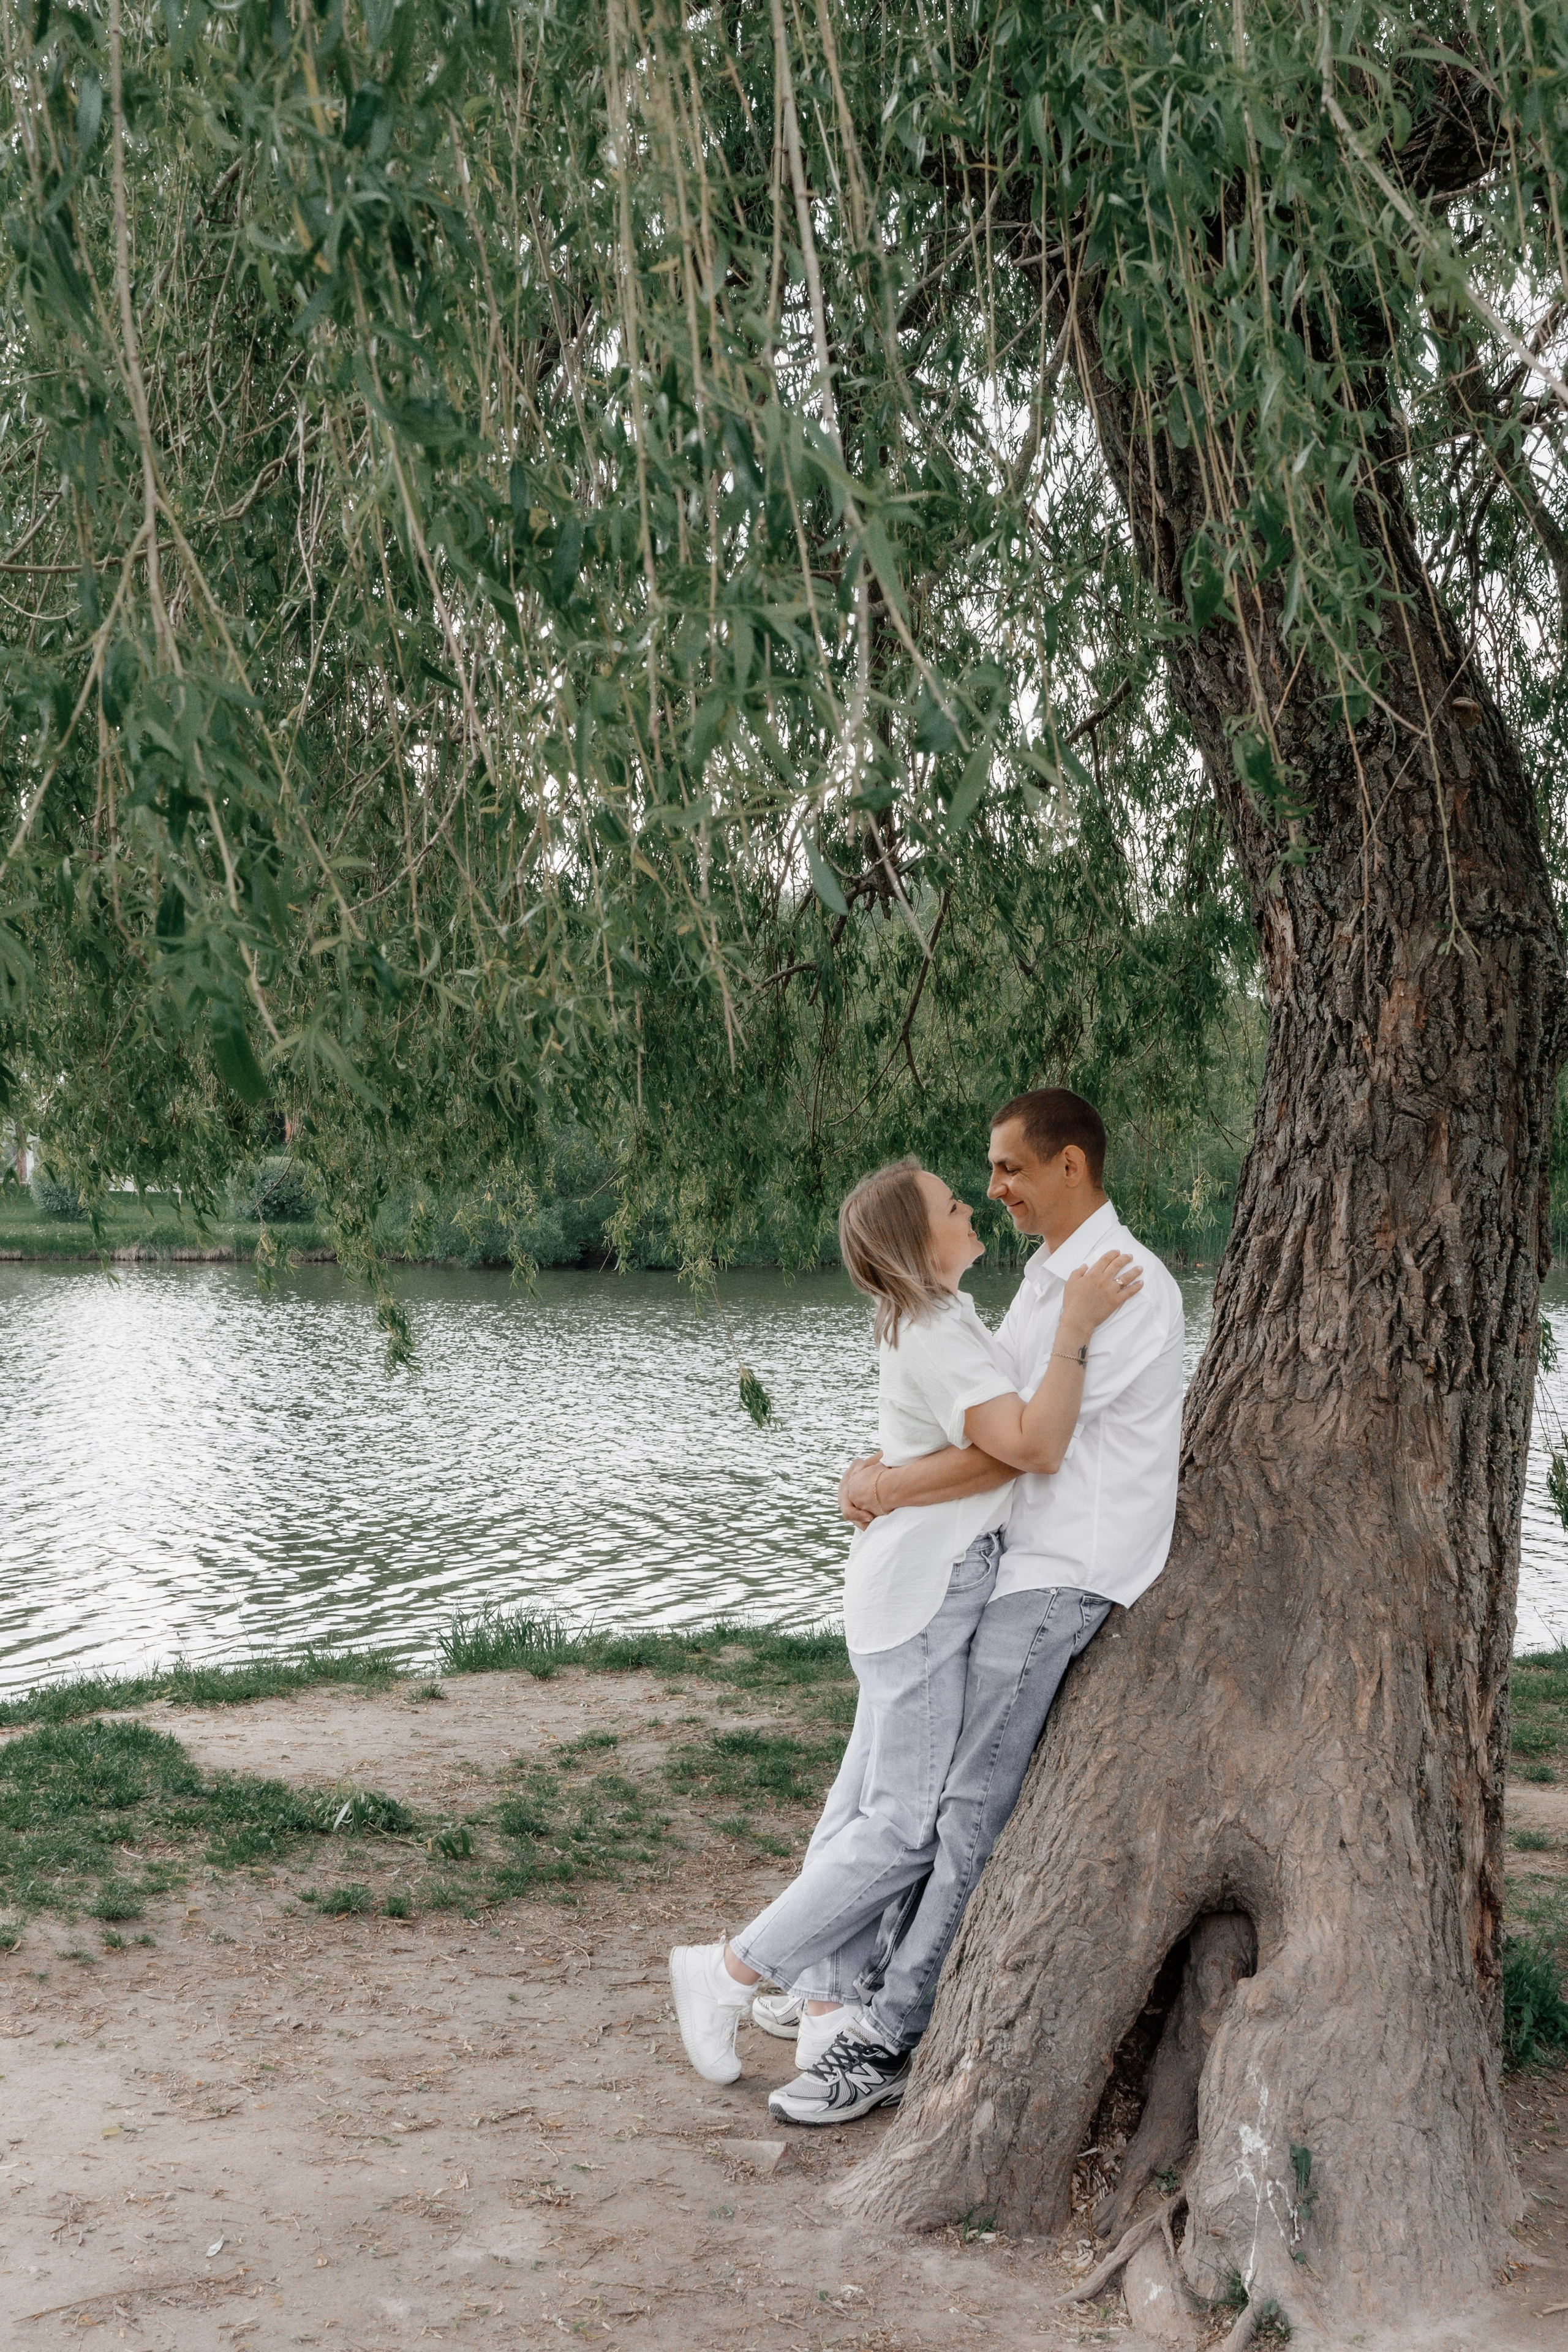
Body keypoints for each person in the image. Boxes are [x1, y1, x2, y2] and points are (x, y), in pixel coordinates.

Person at [667, 1148, 1141, 2092]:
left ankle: (829, 1999)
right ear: (916, 1242)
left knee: (859, 1808)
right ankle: (731, 1970)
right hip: (925, 1595)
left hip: (908, 1588)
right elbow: (1031, 1447)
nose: (972, 1209)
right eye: (952, 1205)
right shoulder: (935, 1328)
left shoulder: (938, 1316)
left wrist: (878, 1478)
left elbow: (970, 1452)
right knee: (903, 1829)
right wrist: (1077, 1328)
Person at [761, 1085, 1186, 2126]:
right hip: (1007, 1558)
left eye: (1009, 1170)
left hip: (1062, 1570)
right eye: (984, 1177)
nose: (994, 1190)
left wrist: (896, 1484)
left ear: (1070, 1167)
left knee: (960, 1811)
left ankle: (889, 2033)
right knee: (904, 1787)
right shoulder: (1048, 1279)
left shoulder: (1122, 1286)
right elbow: (985, 1432)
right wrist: (888, 1474)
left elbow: (1034, 1447)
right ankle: (841, 1980)